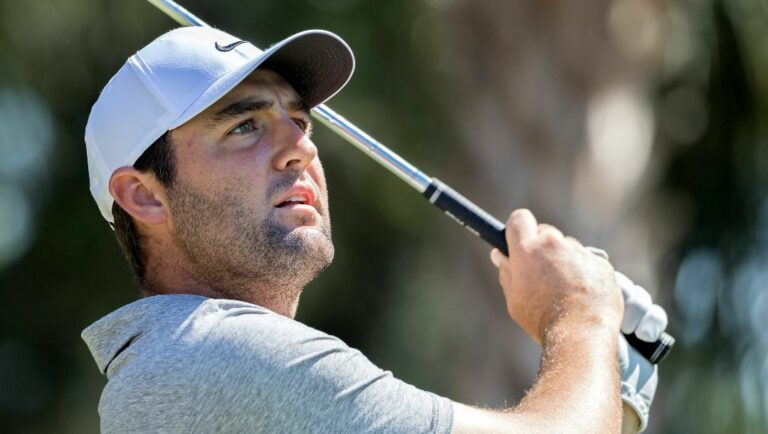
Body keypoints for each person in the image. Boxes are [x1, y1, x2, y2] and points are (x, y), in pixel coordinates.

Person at [82, 26, 664, 433]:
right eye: (244, 127)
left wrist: (614, 392)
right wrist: (582, 316)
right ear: (143, 194)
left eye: (300, 121)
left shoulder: (188, 363)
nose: (300, 148)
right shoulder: (216, 352)